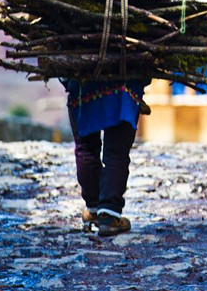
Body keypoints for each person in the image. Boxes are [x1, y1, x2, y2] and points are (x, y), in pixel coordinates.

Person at [62, 78, 149, 236]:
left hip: (83, 90)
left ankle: (94, 208)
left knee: (86, 149)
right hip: (123, 88)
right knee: (116, 153)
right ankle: (108, 216)